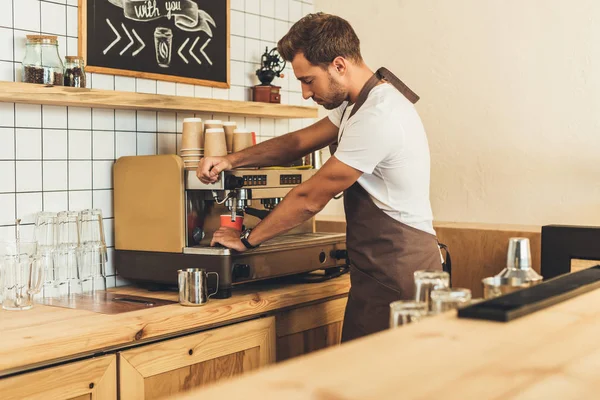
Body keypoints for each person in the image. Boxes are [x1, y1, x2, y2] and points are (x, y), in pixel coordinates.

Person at [196, 12, 442, 342]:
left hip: (399, 272)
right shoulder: (357, 105)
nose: (305, 94)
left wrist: (246, 240)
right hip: (379, 267)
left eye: (308, 80)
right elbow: (297, 143)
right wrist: (231, 159)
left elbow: (310, 198)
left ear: (339, 65)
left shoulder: (379, 114)